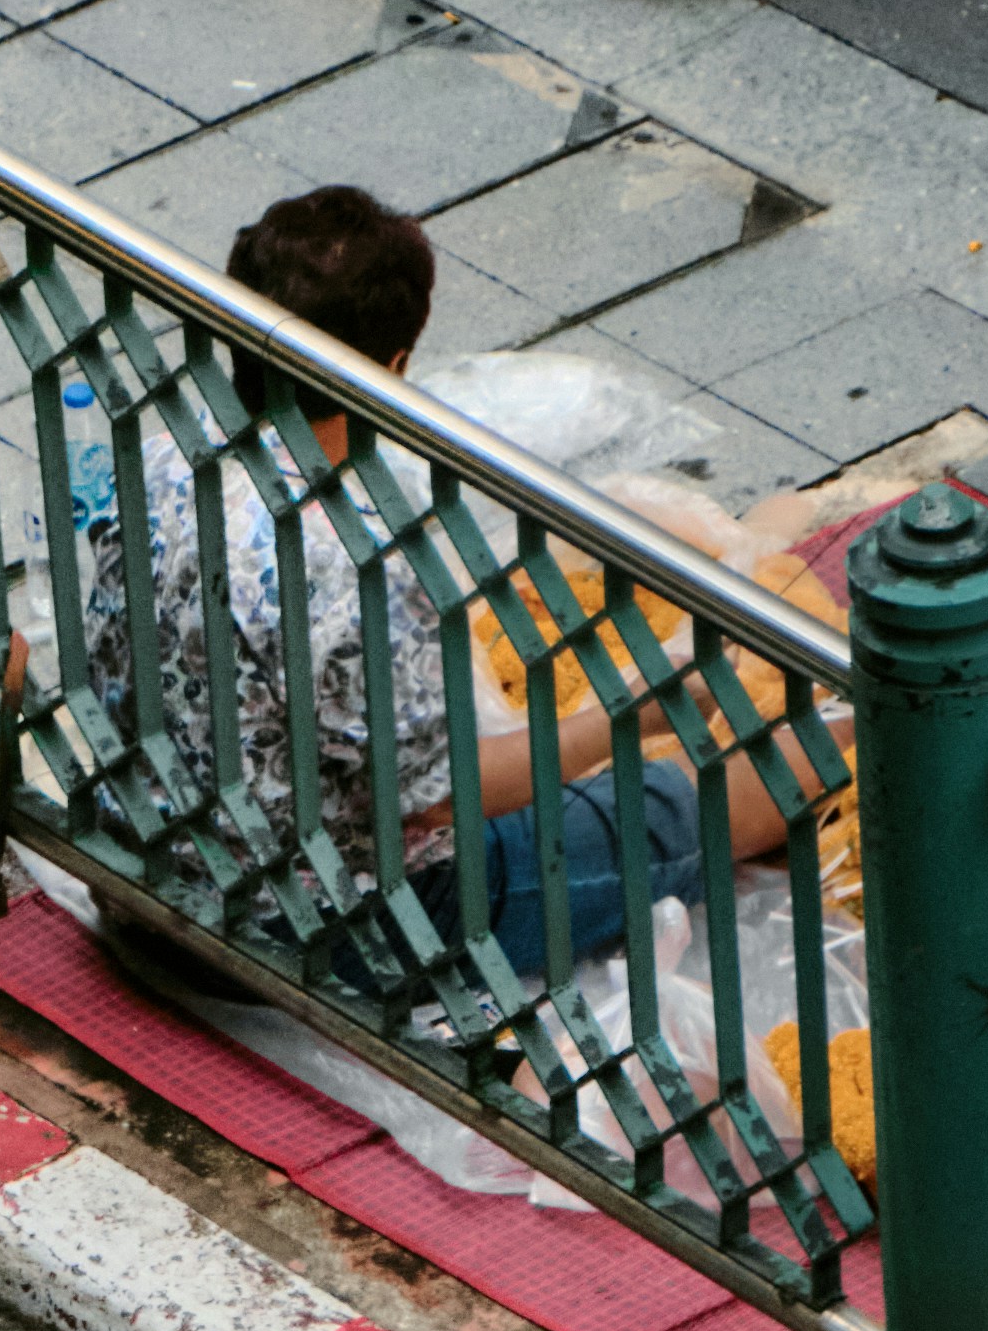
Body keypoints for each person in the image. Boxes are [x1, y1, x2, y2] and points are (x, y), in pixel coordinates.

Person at [79, 184, 790, 960]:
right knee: (675, 806)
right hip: (302, 929)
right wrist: (636, 715)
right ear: (393, 366)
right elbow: (443, 800)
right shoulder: (355, 562)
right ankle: (859, 739)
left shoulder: (159, 463)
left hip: (142, 864)